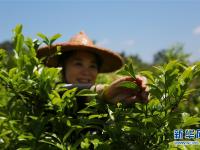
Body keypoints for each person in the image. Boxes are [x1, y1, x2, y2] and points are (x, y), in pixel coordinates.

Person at [37, 31, 148, 105]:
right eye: (78, 64)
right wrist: (105, 93)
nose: (86, 72)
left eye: (92, 66)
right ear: (63, 66)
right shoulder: (48, 94)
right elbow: (72, 92)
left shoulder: (103, 108)